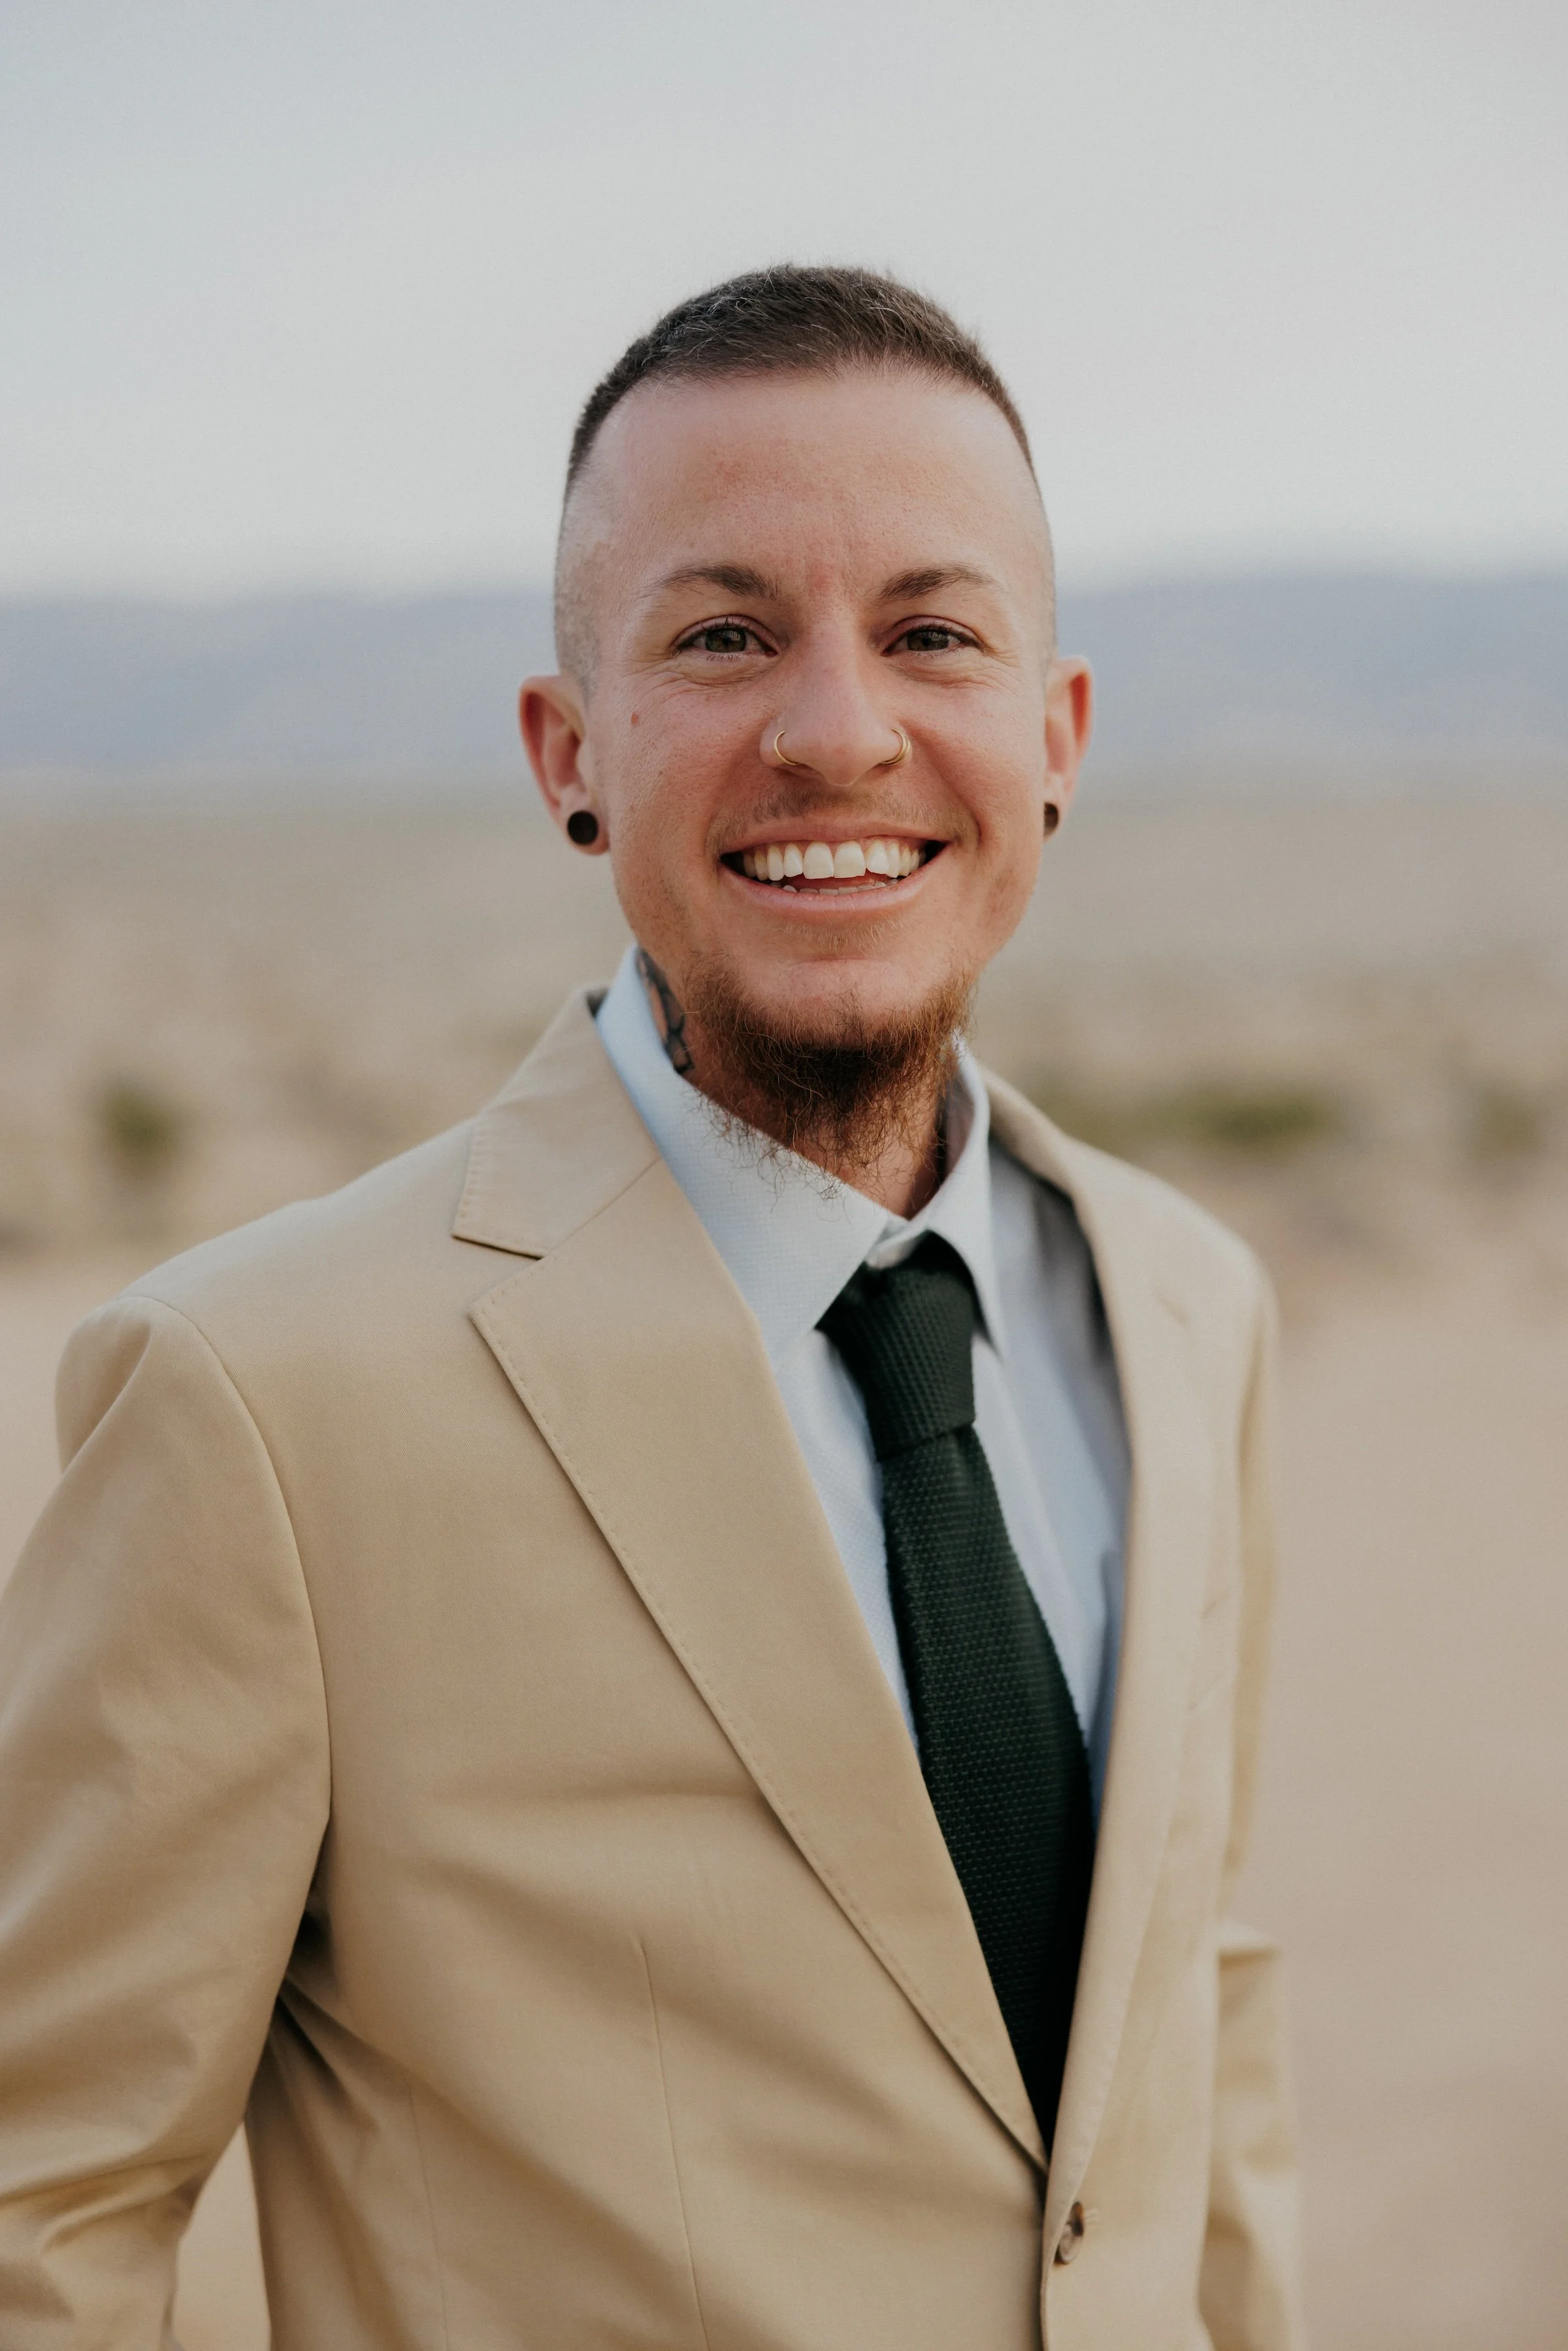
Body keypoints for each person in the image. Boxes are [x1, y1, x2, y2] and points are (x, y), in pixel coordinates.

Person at [0, 265, 1303, 2348]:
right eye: (721, 637)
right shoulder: (259, 1400)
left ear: (1055, 740)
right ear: (568, 751)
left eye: (933, 633)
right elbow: (38, 2197)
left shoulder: (1187, 1300)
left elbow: (1196, 2032)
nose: (837, 729)